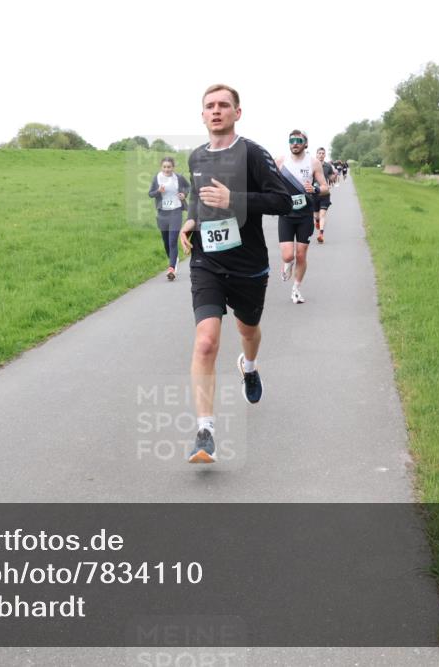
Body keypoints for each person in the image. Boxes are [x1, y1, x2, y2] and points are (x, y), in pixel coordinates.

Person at [178, 84, 292, 463]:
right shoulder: (196, 156)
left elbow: (284, 200)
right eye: (209, 106)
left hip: (248, 266)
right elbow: (198, 198)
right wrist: (190, 220)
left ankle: (250, 366)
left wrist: (235, 200)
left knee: (247, 331)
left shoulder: (253, 154)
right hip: (207, 262)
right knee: (206, 342)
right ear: (202, 114)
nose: (216, 111)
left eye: (223, 105)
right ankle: (205, 432)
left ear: (237, 113)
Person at [274, 130, 328, 303]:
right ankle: (287, 263)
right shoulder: (281, 161)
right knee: (288, 255)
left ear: (306, 144)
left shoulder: (313, 163)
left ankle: (296, 289)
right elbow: (270, 183)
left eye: (298, 140)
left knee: (301, 254)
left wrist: (316, 189)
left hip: (305, 214)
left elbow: (325, 187)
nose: (295, 143)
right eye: (292, 140)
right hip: (286, 214)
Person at [148, 156, 190, 281]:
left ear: (173, 167)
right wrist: (158, 191)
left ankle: (171, 268)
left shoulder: (179, 178)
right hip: (162, 213)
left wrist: (184, 194)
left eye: (169, 167)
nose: (167, 169)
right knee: (166, 242)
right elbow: (150, 194)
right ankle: (174, 259)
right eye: (164, 167)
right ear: (161, 167)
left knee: (172, 241)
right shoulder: (157, 178)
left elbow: (188, 187)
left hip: (176, 211)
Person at [312, 147, 336, 244]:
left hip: (325, 194)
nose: (321, 155)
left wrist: (334, 176)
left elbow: (331, 177)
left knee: (322, 214)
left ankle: (321, 235)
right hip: (314, 194)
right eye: (319, 153)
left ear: (325, 155)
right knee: (316, 216)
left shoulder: (328, 166)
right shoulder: (311, 165)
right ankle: (317, 221)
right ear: (316, 154)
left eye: (323, 153)